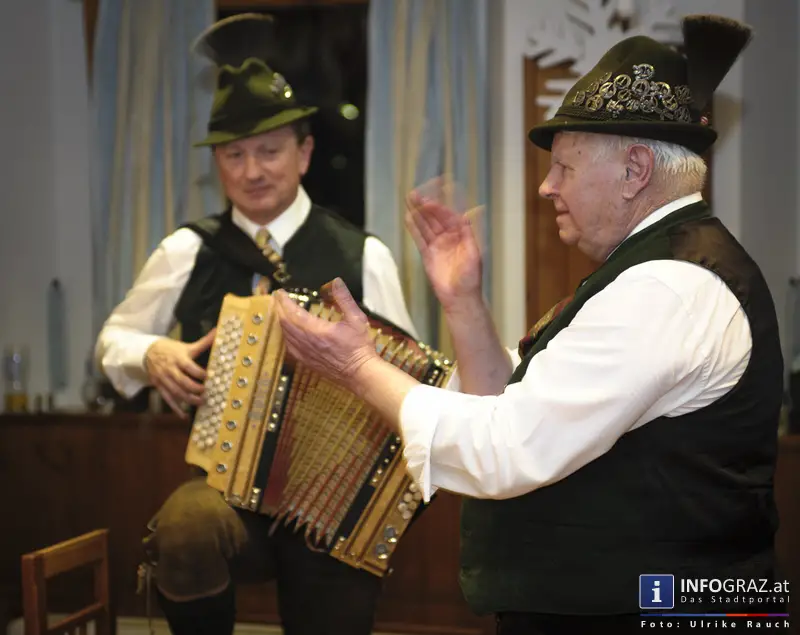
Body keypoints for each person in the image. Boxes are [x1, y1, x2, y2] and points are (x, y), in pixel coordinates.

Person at [274, 15, 790, 635]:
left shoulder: (667, 285)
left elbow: (507, 450)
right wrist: (463, 302)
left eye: (565, 167)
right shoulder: (657, 268)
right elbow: (517, 407)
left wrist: (356, 366)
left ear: (634, 171)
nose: (546, 187)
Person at [94, 13, 417, 635]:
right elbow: (112, 343)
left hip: (333, 496)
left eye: (268, 151)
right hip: (227, 490)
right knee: (183, 530)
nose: (251, 170)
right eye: (233, 155)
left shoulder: (362, 254)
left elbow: (405, 375)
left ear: (305, 152)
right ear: (216, 162)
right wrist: (152, 354)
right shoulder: (186, 251)